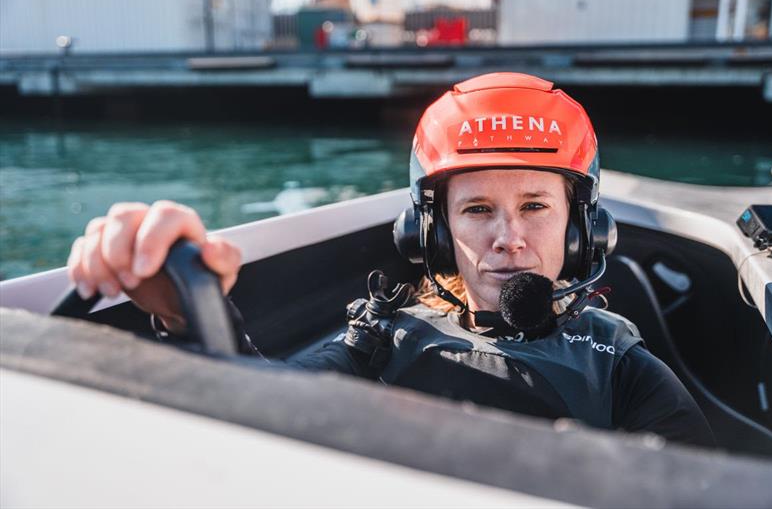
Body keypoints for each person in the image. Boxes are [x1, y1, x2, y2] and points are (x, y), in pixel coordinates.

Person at [66, 72, 715, 447]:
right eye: (478, 208)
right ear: (432, 235)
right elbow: (259, 399)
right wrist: (189, 306)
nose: (508, 237)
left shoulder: (622, 364)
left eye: (537, 207)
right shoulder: (381, 335)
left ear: (582, 231)